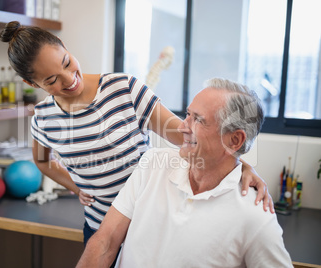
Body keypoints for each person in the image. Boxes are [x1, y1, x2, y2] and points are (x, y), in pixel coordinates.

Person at [0, 21, 273, 244]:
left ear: (66, 48)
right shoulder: (44, 118)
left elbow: (185, 134)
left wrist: (239, 164)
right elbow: (42, 161)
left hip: (148, 224)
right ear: (30, 83)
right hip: (98, 227)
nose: (70, 79)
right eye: (51, 80)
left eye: (67, 62)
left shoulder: (123, 88)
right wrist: (75, 186)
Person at [76, 78, 293, 268]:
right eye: (188, 115)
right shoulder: (153, 164)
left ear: (234, 140)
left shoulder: (255, 216)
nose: (182, 127)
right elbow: (105, 242)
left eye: (198, 120)